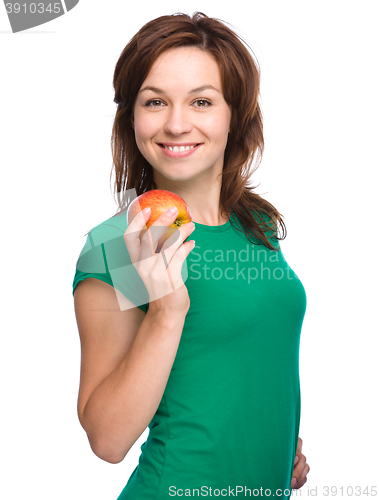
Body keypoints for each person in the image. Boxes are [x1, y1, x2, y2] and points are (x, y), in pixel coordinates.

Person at [72, 12, 310, 499]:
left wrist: (272, 446)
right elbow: (107, 439)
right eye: (155, 102)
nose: (176, 123)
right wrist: (166, 311)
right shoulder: (128, 239)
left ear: (233, 115)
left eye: (201, 101)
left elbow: (240, 365)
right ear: (132, 117)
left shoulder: (256, 223)